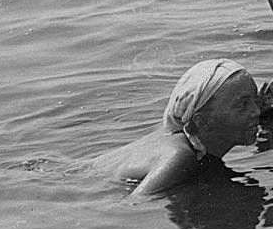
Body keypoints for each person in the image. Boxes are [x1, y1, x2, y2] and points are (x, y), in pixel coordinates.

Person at [90, 59, 262, 197]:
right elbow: (128, 209)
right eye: (243, 105)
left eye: (256, 99)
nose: (257, 111)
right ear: (202, 122)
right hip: (84, 186)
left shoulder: (182, 134)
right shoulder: (180, 157)